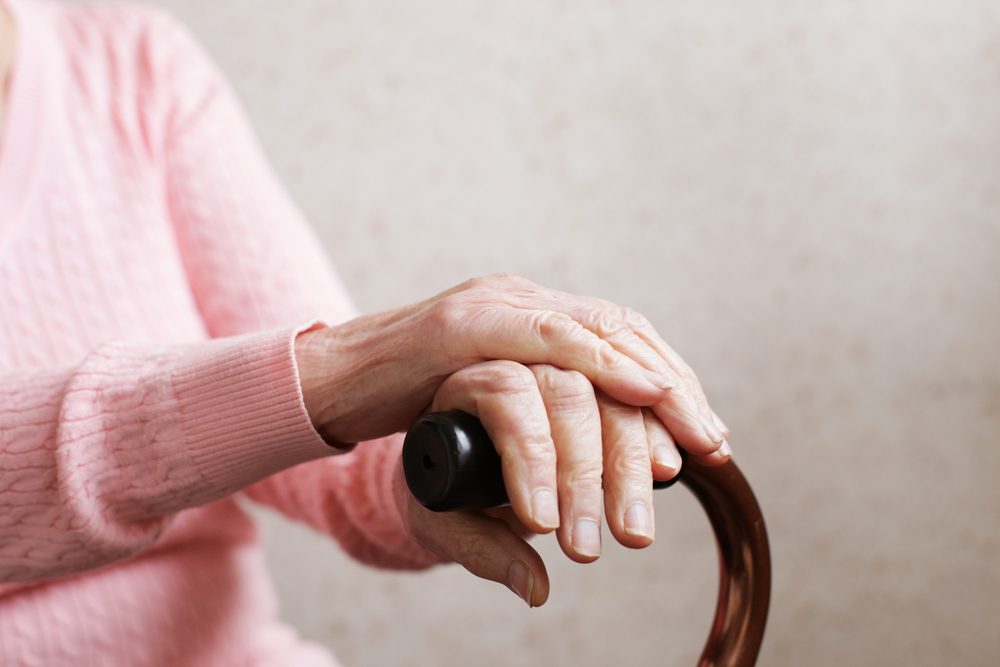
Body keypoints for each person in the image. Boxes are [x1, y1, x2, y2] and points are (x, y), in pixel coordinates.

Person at [0, 0, 731, 664]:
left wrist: (461, 438)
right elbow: (325, 386)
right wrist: (335, 372)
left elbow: (337, 446)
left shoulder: (129, 62)